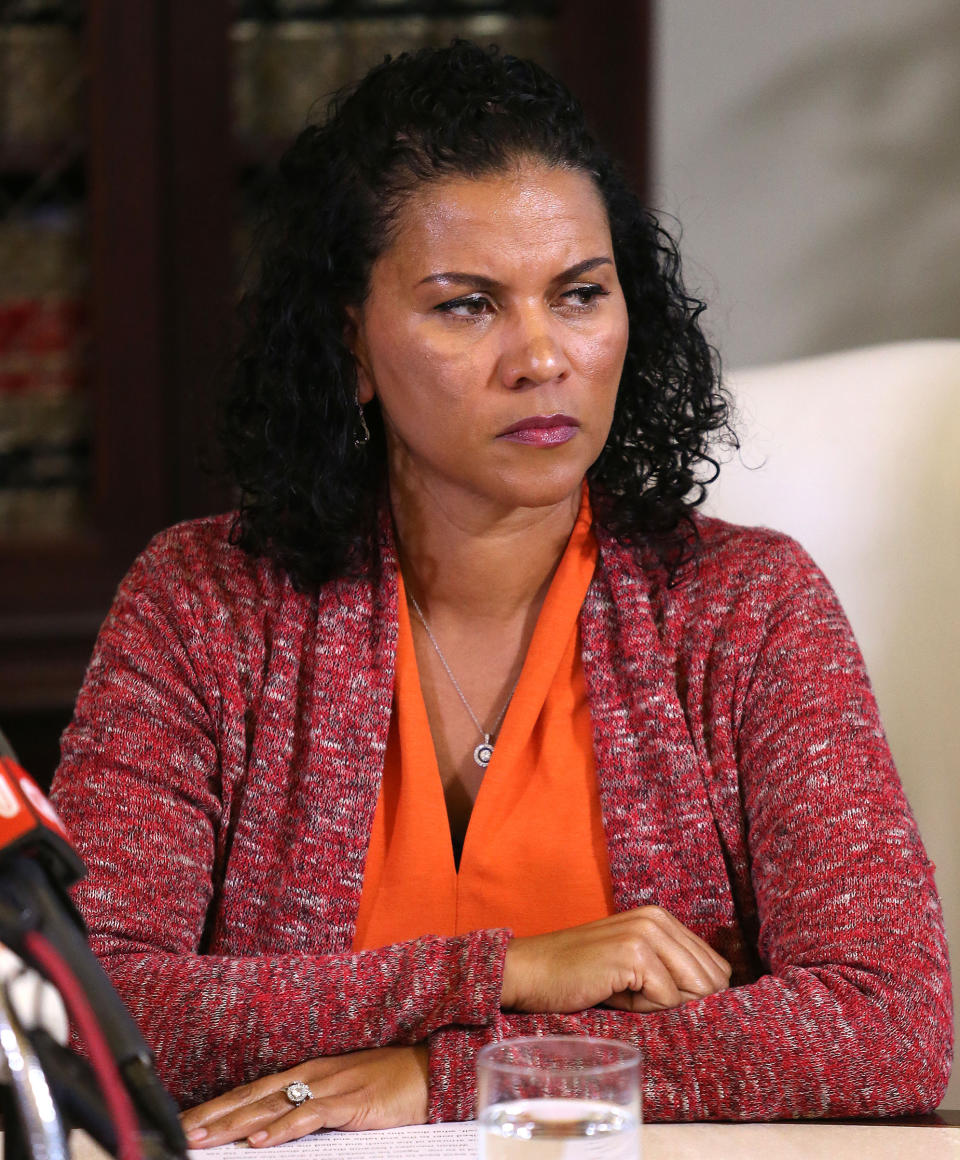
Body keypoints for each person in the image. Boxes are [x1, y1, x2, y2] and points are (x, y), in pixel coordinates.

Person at [50, 42, 951, 1148]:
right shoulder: (203, 606)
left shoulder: (745, 606)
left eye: (579, 293)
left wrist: (442, 1073)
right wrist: (518, 967)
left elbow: (889, 1021)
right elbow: (89, 1004)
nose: (541, 356)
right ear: (353, 346)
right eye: (467, 306)